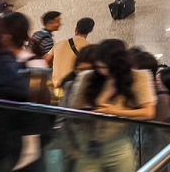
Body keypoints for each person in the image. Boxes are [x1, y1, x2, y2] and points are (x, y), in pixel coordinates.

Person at [66, 38, 157, 169]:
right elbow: (73, 110)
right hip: (88, 145)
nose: (103, 71)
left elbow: (148, 112)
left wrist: (114, 112)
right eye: (98, 67)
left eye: (106, 67)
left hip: (118, 145)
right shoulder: (88, 77)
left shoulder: (138, 77)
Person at [52, 17, 95, 90]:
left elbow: (46, 60)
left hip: (56, 88)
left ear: (75, 29)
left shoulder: (58, 44)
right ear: (91, 30)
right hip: (74, 88)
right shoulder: (91, 48)